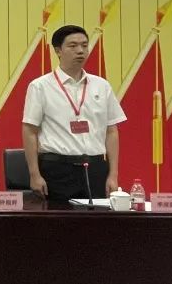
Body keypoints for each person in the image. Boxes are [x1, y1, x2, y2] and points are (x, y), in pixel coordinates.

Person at [22, 24, 126, 201]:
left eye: (84, 45)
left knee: (98, 217)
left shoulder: (102, 86)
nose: (80, 51)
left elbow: (111, 131)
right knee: (59, 218)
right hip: (57, 169)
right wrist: (34, 174)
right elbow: (29, 131)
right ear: (58, 51)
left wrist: (113, 174)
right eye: (73, 45)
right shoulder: (40, 86)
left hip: (95, 168)